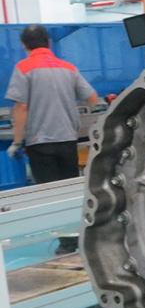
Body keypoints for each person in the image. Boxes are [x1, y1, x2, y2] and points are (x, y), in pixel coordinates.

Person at [5, 25, 98, 255]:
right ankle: (81, 238)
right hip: (68, 140)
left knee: (51, 195)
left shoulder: (23, 68)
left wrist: (17, 142)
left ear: (24, 45)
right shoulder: (68, 67)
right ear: (48, 42)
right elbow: (92, 98)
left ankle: (67, 244)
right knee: (70, 191)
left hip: (40, 142)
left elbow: (21, 107)